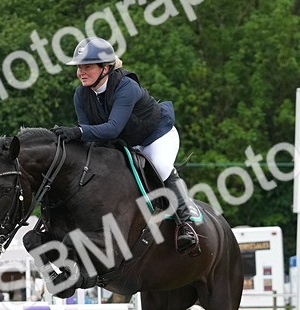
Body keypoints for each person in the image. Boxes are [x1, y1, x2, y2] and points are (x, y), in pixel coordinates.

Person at [50, 36, 201, 255]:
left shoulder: (125, 86)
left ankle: (185, 223)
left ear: (106, 68)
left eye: (88, 66)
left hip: (156, 136)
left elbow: (111, 129)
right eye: (79, 67)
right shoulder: (81, 94)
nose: (81, 72)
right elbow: (92, 136)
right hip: (124, 143)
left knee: (158, 167)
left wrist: (77, 132)